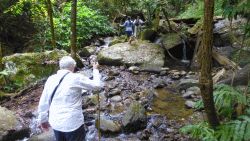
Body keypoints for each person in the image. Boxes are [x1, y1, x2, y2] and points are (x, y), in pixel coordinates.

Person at [37, 56, 103, 141]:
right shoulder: (76, 77)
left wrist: (43, 120)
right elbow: (97, 86)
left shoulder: (51, 79)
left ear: (60, 66)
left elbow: (44, 102)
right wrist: (95, 70)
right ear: (73, 66)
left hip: (56, 123)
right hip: (72, 124)